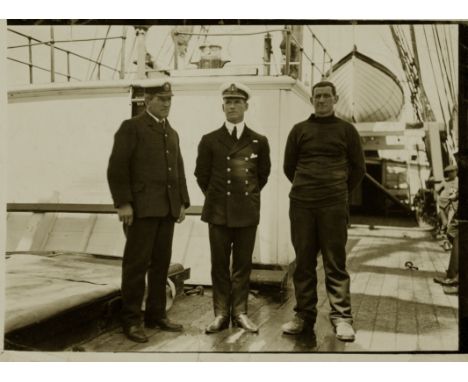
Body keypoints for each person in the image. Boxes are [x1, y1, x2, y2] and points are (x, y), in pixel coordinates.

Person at [282, 80, 366, 342]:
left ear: (335, 98)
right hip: (302, 204)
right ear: (312, 100)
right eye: (317, 96)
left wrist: (337, 190)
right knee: (304, 262)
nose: (321, 100)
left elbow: (358, 169)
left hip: (333, 205)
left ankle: (342, 318)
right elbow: (289, 167)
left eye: (326, 96)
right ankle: (303, 316)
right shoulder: (299, 130)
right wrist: (308, 186)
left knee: (334, 263)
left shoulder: (347, 131)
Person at [107, 81, 190, 343]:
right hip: (141, 210)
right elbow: (117, 168)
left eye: (169, 99)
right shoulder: (131, 127)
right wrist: (123, 203)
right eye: (161, 99)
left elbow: (178, 169)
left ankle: (156, 314)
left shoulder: (171, 132)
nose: (167, 103)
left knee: (160, 265)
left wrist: (182, 203)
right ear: (147, 100)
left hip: (166, 209)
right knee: (136, 265)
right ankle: (131, 320)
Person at [195, 82, 271, 333]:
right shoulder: (209, 140)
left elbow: (263, 176)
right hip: (218, 213)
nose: (232, 106)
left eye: (237, 101)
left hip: (246, 213)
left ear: (246, 106)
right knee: (219, 265)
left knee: (242, 265)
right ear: (222, 107)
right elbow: (201, 175)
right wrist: (218, 198)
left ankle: (240, 313)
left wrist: (243, 198)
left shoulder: (259, 141)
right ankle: (220, 314)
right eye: (228, 102)